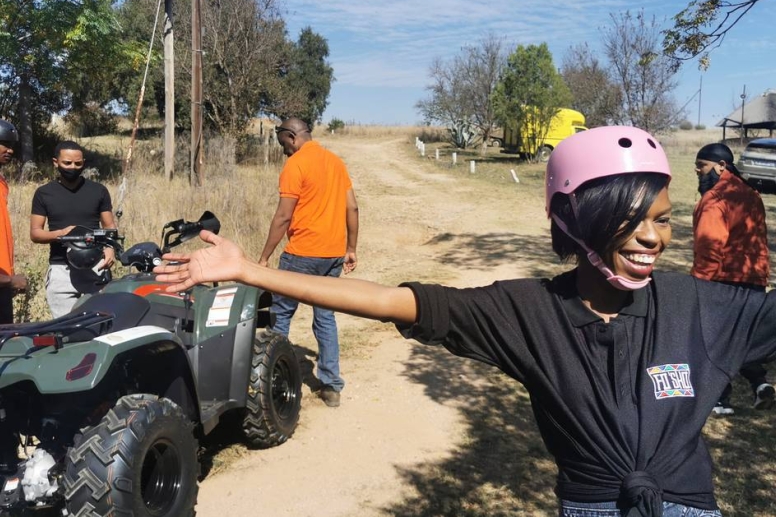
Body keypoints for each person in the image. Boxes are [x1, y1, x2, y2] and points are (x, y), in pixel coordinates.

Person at [154, 125, 776, 516]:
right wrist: (250, 272)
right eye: (632, 219)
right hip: (592, 507)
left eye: (664, 218)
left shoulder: (700, 306)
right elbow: (397, 301)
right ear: (577, 224)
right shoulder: (532, 313)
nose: (653, 238)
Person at [258, 118, 359, 408]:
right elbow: (351, 206)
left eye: (283, 145)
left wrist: (265, 256)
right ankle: (331, 386)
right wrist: (350, 247)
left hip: (302, 254)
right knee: (325, 317)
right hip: (332, 255)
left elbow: (283, 217)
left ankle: (274, 382)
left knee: (280, 314)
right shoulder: (335, 162)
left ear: (292, 137)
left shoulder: (296, 164)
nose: (284, 152)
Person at [693, 142, 774, 415]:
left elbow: (709, 246)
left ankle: (720, 400)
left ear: (721, 166)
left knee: (718, 339)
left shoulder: (715, 199)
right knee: (745, 335)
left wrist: (698, 284)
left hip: (724, 280)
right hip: (755, 277)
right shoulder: (752, 194)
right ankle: (760, 385)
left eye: (702, 167)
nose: (698, 172)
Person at [30, 141, 116, 318]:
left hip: (95, 267)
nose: (73, 167)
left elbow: (109, 226)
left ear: (83, 163)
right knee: (65, 330)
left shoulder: (98, 191)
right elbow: (35, 233)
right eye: (67, 163)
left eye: (78, 163)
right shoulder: (44, 193)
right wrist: (61, 233)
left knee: (101, 325)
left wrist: (110, 248)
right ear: (56, 162)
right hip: (61, 269)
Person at [0, 120, 27, 324]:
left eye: (12, 145)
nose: (9, 150)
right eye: (4, 143)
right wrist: (9, 281)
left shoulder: (2, 184)